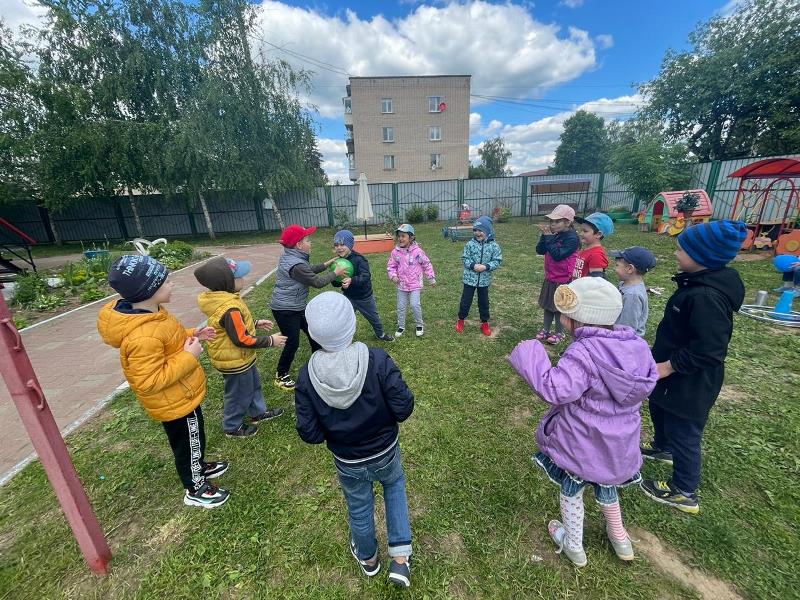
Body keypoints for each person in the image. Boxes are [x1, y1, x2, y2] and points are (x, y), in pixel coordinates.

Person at [508, 278, 658, 566]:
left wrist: (530, 355)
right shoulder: (637, 346)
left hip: (583, 441)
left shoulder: (584, 352)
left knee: (573, 486)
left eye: (566, 313)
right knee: (607, 482)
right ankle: (620, 539)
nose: (562, 317)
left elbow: (556, 389)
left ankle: (574, 544)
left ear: (579, 318)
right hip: (619, 441)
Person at [295, 292, 415, 588]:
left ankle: (368, 558)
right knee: (394, 488)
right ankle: (400, 561)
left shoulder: (307, 375)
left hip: (347, 459)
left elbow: (309, 432)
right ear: (352, 323)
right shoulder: (377, 359)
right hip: (385, 450)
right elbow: (403, 406)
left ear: (313, 334)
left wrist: (334, 433)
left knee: (359, 506)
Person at [97, 255, 230, 508]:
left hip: (180, 395)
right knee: (187, 442)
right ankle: (195, 487)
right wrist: (189, 356)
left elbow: (170, 337)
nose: (172, 284)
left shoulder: (152, 314)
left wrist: (194, 333)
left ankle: (198, 465)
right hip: (173, 402)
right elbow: (149, 380)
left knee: (194, 437)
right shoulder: (142, 336)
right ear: (149, 291)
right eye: (166, 281)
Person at [640, 220, 748, 514]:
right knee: (659, 408)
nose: (676, 253)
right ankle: (663, 447)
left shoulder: (706, 297)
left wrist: (668, 366)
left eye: (683, 250)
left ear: (703, 257)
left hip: (690, 381)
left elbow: (709, 351)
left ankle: (684, 491)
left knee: (684, 431)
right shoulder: (694, 284)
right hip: (671, 371)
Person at [195, 256, 288, 438]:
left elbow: (235, 325)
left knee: (253, 385)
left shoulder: (226, 300)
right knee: (238, 394)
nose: (243, 279)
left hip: (241, 357)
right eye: (239, 276)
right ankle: (232, 426)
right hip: (235, 361)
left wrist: (255, 322)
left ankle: (257, 413)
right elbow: (241, 339)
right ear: (227, 282)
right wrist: (270, 341)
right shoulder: (229, 308)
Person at [269, 224, 347, 391]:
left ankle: (320, 362)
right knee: (292, 342)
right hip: (285, 309)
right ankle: (281, 374)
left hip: (295, 306)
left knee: (313, 332)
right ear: (299, 245)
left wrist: (326, 264)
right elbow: (317, 282)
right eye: (307, 240)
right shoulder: (296, 264)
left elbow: (308, 270)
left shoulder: (292, 257)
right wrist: (336, 273)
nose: (310, 243)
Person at [331, 229, 395, 342]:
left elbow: (365, 276)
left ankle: (380, 334)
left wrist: (351, 280)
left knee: (373, 317)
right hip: (349, 296)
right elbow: (335, 281)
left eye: (342, 244)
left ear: (350, 245)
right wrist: (337, 280)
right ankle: (343, 339)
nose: (339, 248)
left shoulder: (360, 259)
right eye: (336, 245)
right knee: (345, 318)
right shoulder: (337, 262)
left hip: (364, 297)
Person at [535, 205, 580, 345]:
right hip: (551, 277)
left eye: (557, 221)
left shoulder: (572, 238)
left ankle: (560, 333)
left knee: (559, 308)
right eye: (551, 221)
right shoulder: (554, 234)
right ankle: (546, 329)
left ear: (568, 222)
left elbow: (558, 255)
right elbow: (540, 250)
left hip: (564, 279)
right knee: (548, 305)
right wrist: (544, 237)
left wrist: (549, 238)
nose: (552, 224)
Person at [456, 216, 503, 336]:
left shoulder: (494, 246)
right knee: (465, 301)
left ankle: (485, 323)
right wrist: (473, 265)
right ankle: (461, 319)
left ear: (488, 231)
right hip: (469, 279)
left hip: (484, 280)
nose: (477, 233)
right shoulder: (470, 244)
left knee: (484, 303)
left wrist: (486, 266)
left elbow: (497, 260)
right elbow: (465, 258)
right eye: (475, 230)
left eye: (480, 230)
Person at [386, 223, 436, 337]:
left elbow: (426, 264)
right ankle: (401, 326)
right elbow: (391, 266)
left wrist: (431, 278)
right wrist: (393, 276)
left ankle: (419, 325)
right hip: (402, 284)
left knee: (414, 304)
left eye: (403, 236)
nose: (400, 238)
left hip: (415, 284)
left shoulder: (418, 252)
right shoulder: (395, 252)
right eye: (399, 236)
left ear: (411, 237)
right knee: (401, 306)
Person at [611, 246, 658, 337]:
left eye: (617, 265)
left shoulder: (632, 295)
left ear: (630, 269)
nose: (614, 269)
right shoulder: (625, 284)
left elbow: (627, 328)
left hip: (623, 339)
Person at [572, 212, 614, 279]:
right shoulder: (586, 250)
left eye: (585, 231)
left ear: (598, 234)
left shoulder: (596, 255)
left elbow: (595, 281)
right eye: (581, 230)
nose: (580, 233)